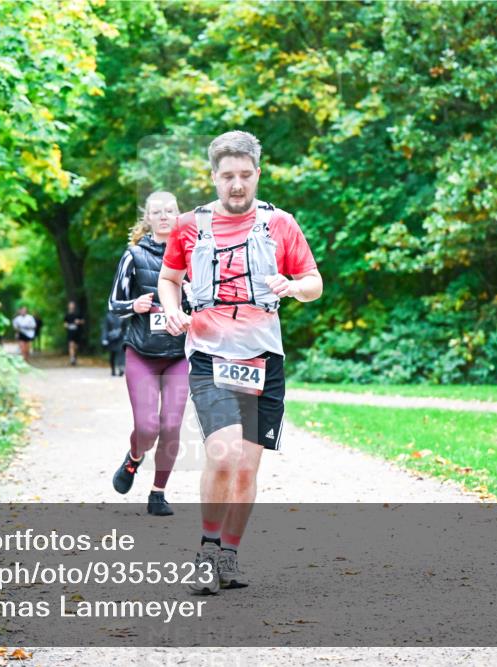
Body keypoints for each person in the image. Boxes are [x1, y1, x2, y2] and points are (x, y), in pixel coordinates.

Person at [158, 131, 322, 592]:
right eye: (227, 176)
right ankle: (208, 551)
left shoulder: (280, 224)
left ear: (257, 174)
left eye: (245, 176)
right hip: (210, 355)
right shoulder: (189, 226)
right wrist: (172, 307)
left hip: (263, 357)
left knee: (247, 467)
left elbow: (314, 281)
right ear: (213, 176)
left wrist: (295, 288)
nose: (236, 185)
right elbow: (170, 279)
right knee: (224, 452)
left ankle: (229, 555)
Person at [107, 191, 191, 516]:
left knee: (171, 424)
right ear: (149, 218)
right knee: (148, 427)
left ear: (179, 215)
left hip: (178, 355)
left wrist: (190, 303)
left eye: (171, 210)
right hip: (141, 352)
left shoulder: (192, 256)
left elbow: (207, 302)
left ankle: (158, 493)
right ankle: (134, 458)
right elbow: (114, 305)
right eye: (158, 211)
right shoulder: (133, 256)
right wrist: (134, 305)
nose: (165, 216)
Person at [100, 310, 126, 376]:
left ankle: (121, 368)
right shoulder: (108, 316)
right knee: (113, 354)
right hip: (111, 338)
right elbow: (105, 328)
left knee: (121, 352)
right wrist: (104, 339)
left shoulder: (123, 316)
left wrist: (126, 336)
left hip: (121, 337)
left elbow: (126, 327)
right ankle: (113, 369)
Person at [63, 301, 85, 365]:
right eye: (70, 305)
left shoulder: (78, 314)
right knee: (71, 345)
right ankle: (72, 358)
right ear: (68, 306)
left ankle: (74, 356)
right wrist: (66, 325)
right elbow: (64, 323)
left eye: (72, 305)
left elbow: (83, 321)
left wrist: (79, 321)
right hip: (70, 332)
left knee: (76, 347)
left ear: (74, 306)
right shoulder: (67, 315)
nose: (71, 306)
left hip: (77, 332)